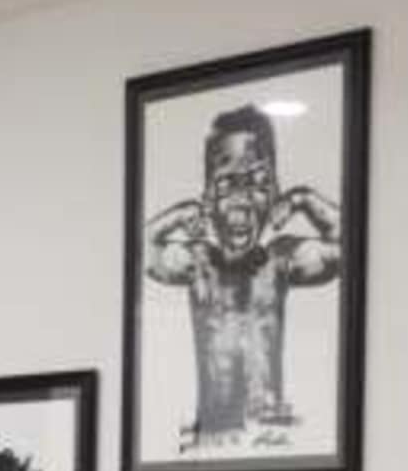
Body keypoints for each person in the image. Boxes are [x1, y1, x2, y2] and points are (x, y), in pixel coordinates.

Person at [144, 102, 343, 449]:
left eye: (258, 182)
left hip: (271, 435)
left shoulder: (281, 258)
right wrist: (180, 214)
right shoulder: (197, 262)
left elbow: (348, 246)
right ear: (207, 197)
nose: (241, 200)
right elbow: (138, 252)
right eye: (225, 185)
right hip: (212, 436)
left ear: (274, 193)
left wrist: (301, 198)